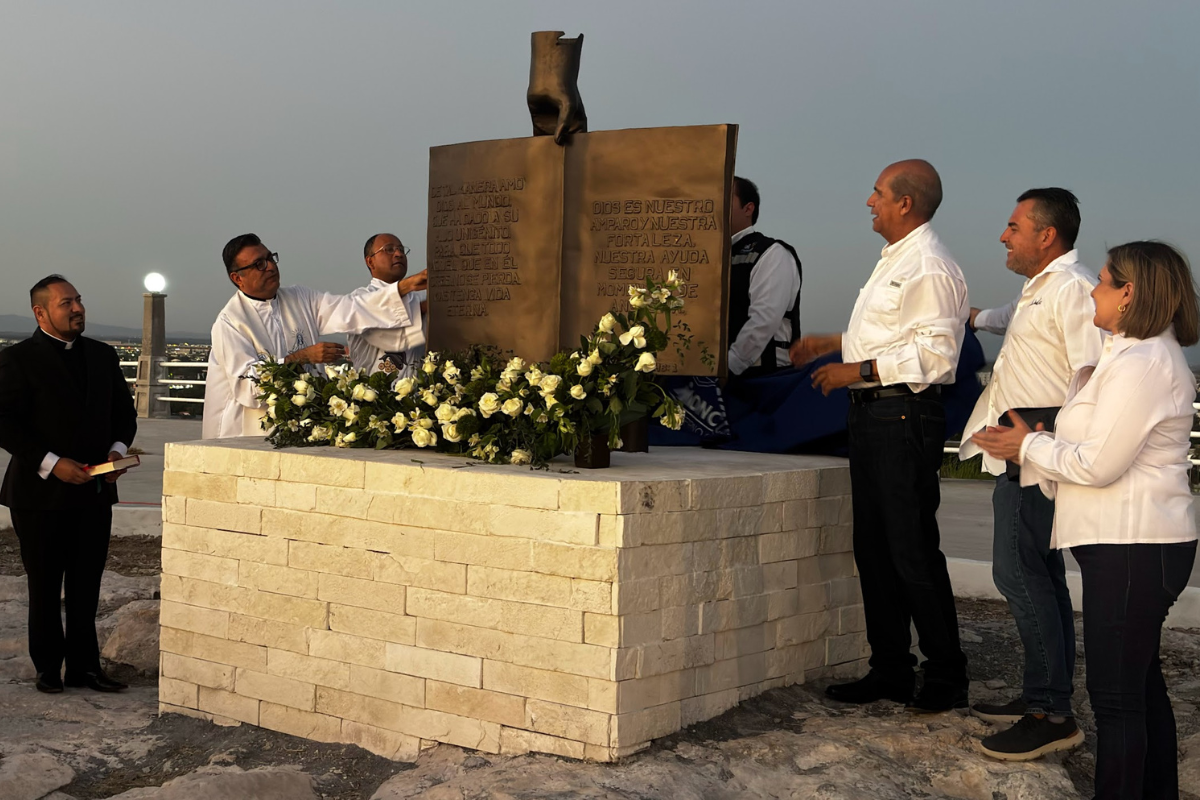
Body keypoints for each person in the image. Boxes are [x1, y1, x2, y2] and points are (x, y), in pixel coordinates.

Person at [972, 241, 1198, 798]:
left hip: (1135, 544)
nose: (1091, 291)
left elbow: (1096, 465)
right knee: (1139, 690)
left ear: (1130, 293)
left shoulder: (1145, 364)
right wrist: (1039, 438)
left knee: (1117, 699)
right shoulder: (1128, 354)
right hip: (1129, 542)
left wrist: (1029, 447)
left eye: (1102, 281)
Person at [790, 159, 970, 712]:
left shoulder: (931, 267)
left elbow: (937, 357)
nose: (869, 202)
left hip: (902, 417)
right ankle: (890, 669)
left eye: (877, 193)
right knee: (873, 549)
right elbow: (892, 337)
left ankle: (945, 677)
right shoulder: (895, 259)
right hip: (874, 418)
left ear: (905, 204)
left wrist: (858, 372)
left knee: (910, 550)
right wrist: (832, 343)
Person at [958, 189, 1101, 759]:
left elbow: (1091, 376)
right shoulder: (1040, 290)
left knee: (1019, 575)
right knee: (1040, 577)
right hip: (1022, 451)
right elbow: (1006, 320)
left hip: (1035, 456)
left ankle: (1052, 713)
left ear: (1047, 235)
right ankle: (1043, 696)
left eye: (1013, 226)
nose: (1003, 235)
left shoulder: (1070, 288)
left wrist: (1039, 437)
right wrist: (967, 315)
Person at [0, 276, 137, 694]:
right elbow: (6, 423)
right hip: (39, 495)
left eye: (78, 300)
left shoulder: (102, 355)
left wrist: (116, 452)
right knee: (44, 585)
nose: (77, 308)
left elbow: (124, 416)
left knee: (86, 584)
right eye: (66, 303)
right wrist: (53, 463)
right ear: (41, 313)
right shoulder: (17, 360)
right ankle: (47, 668)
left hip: (94, 493)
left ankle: (85, 668)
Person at [202, 233, 427, 438]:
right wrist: (301, 357)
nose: (270, 266)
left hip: (303, 424)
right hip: (248, 433)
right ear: (237, 278)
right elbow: (247, 386)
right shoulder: (230, 322)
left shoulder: (300, 298)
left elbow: (350, 308)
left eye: (270, 258)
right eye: (259, 264)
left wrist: (402, 288)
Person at [727, 176, 803, 378]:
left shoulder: (771, 253)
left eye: (725, 197)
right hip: (711, 380)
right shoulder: (706, 258)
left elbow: (763, 320)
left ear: (748, 208)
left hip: (763, 382)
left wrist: (727, 368)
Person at [347, 233, 428, 375]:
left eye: (401, 250)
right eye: (389, 249)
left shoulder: (418, 296)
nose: (398, 254)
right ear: (370, 262)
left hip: (417, 395)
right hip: (374, 394)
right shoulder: (359, 298)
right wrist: (422, 301)